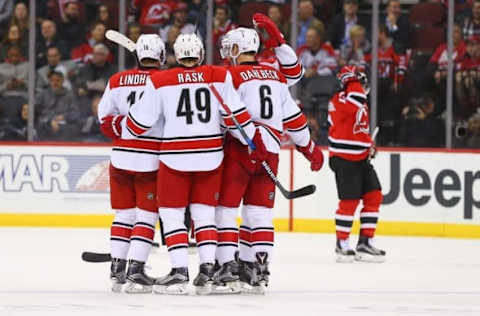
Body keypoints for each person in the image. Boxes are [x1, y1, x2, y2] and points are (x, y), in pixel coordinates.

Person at [126, 33, 261, 295]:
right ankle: (208, 272)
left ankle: (179, 274)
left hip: (174, 158)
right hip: (210, 157)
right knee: (204, 215)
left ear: (175, 55)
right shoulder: (219, 76)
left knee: (173, 216)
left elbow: (138, 125)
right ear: (200, 55)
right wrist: (252, 141)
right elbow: (240, 119)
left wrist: (129, 116)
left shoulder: (160, 80)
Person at [215, 27, 323, 294]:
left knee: (226, 210)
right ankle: (258, 270)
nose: (228, 53)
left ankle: (227, 268)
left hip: (241, 150)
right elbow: (294, 119)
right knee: (259, 213)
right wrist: (309, 147)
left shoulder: (231, 75)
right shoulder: (276, 76)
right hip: (271, 152)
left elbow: (225, 115)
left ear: (238, 49)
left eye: (231, 48)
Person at [97, 34, 166, 293]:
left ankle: (117, 269)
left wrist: (124, 127)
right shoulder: (164, 81)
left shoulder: (117, 80)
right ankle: (136, 270)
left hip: (121, 158)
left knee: (124, 215)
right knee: (146, 216)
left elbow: (104, 118)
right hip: (150, 161)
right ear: (160, 56)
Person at [328, 65, 385, 263]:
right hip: (344, 158)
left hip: (360, 158)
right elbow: (355, 102)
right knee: (349, 202)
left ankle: (365, 242)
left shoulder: (357, 101)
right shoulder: (342, 99)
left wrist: (369, 145)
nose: (363, 86)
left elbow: (357, 130)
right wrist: (351, 79)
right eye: (360, 82)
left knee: (374, 195)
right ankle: (342, 243)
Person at [36, 71, 79, 141]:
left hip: (64, 125)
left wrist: (64, 116)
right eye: (52, 80)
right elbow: (38, 110)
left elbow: (75, 113)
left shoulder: (69, 95)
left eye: (57, 80)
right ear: (49, 81)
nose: (55, 83)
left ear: (62, 81)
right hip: (45, 123)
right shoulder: (43, 94)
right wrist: (51, 120)